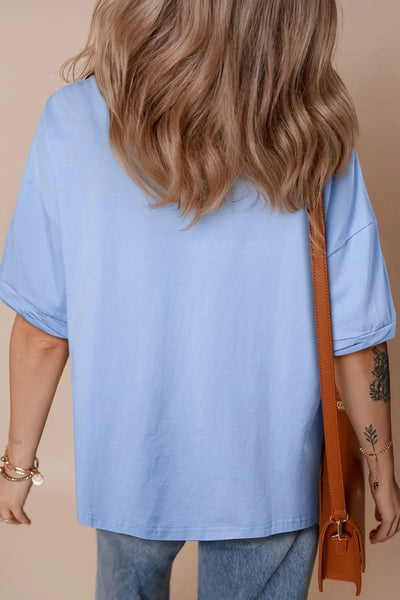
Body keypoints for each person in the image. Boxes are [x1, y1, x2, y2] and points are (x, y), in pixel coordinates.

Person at [0, 1, 399, 599]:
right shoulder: (312, 128)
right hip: (268, 470)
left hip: (127, 463)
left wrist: (17, 467)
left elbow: (41, 332)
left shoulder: (73, 117)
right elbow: (356, 337)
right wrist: (381, 468)